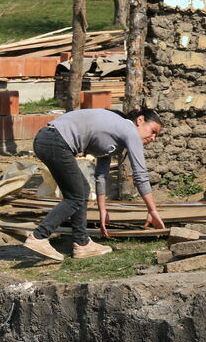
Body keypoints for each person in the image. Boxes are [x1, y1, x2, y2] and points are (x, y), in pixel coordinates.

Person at [23, 107, 166, 262]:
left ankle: (82, 244)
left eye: (157, 136)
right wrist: (152, 210)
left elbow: (101, 175)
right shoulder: (129, 129)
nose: (153, 138)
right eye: (153, 131)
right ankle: (39, 236)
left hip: (47, 140)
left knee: (81, 191)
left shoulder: (114, 137)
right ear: (140, 120)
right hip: (55, 141)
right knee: (76, 196)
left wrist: (102, 209)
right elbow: (140, 175)